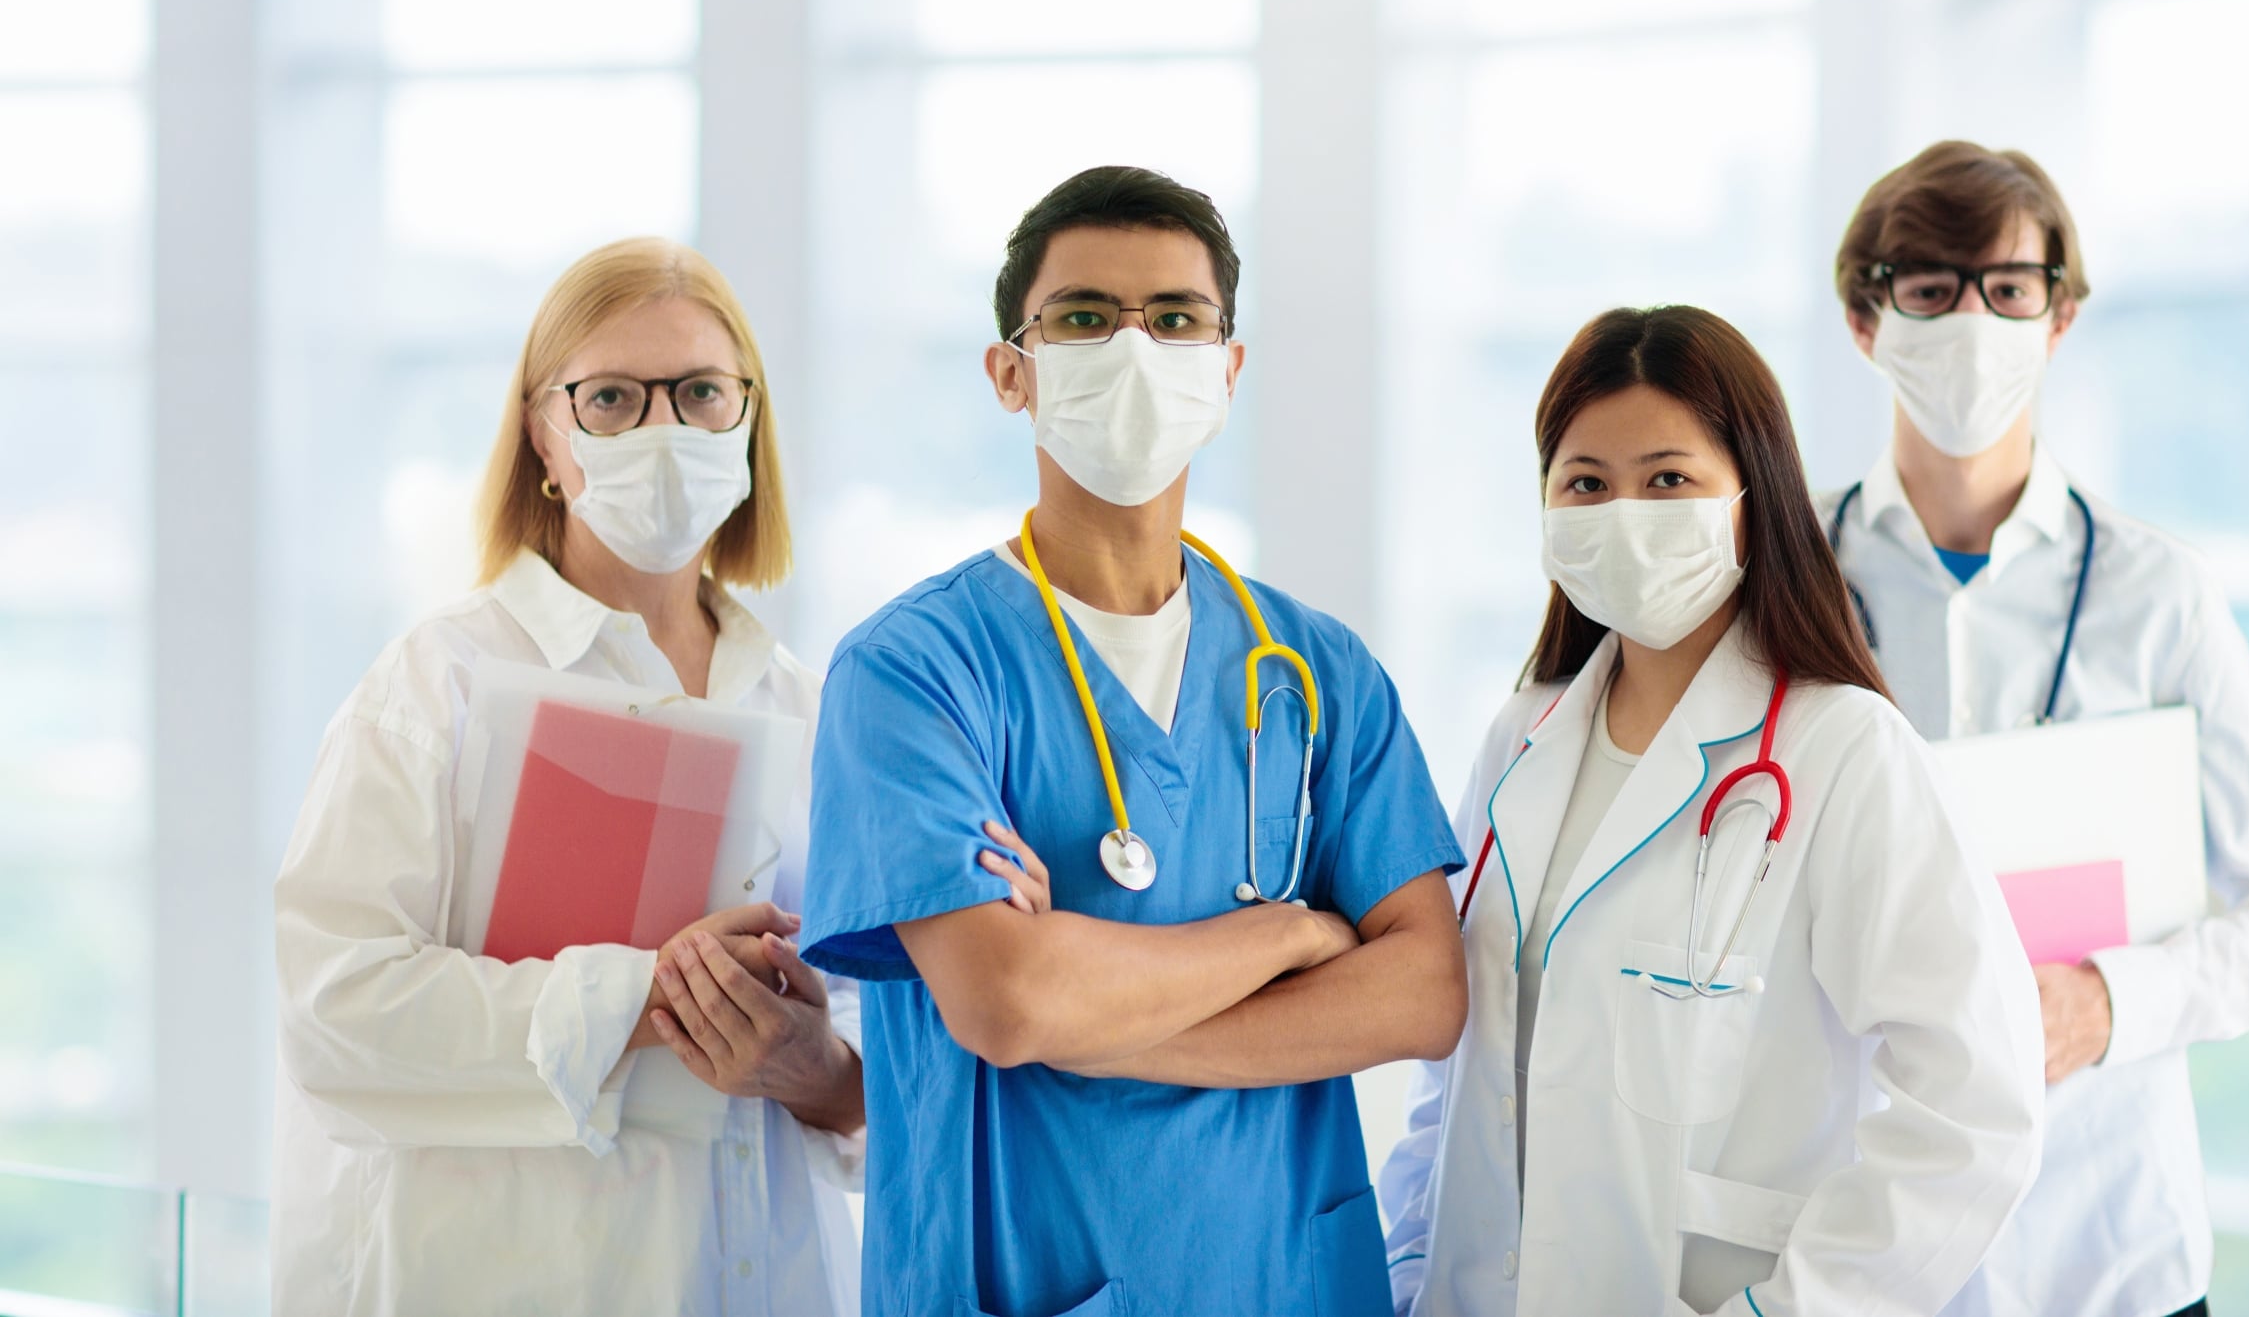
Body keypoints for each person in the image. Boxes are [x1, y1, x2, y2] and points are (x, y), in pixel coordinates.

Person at [798, 165, 1467, 1317]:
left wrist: (1103, 1022)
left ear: (1228, 368)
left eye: (1174, 319)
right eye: (1083, 319)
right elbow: (1008, 1004)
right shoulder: (912, 672)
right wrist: (1291, 932)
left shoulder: (1315, 672)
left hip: (1287, 1281)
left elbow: (1422, 994)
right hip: (1024, 1282)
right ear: (1013, 373)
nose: (1133, 348)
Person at [1379, 305, 2044, 1316]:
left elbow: (1976, 1109)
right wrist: (1404, 1271)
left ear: (1751, 496)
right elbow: (1461, 1075)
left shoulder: (1842, 751)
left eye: (1667, 480)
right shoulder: (1520, 737)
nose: (1623, 513)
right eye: (1586, 484)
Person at [271, 237, 864, 1316]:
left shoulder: (815, 712)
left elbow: (890, 1034)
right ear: (545, 437)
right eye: (610, 401)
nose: (662, 433)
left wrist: (820, 1068)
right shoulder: (437, 683)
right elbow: (336, 1015)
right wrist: (640, 998)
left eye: (698, 394)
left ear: (749, 424)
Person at [1820, 141, 2249, 1317]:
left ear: (2058, 319)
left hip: (2107, 1250)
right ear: (1867, 319)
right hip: (1855, 1250)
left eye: (2008, 288)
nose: (1972, 319)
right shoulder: (1786, 583)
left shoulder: (2156, 593)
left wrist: (2109, 1004)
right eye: (1929, 287)